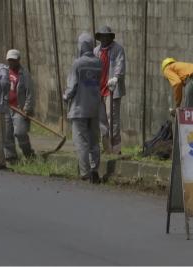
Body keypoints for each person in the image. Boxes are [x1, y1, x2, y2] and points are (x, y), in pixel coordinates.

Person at [63, 32, 102, 184]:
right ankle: (95, 170)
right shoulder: (98, 63)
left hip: (79, 108)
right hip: (94, 107)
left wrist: (65, 96)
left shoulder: (77, 63)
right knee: (94, 141)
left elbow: (72, 86)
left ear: (80, 45)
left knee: (81, 141)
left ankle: (85, 172)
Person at [94, 25, 125, 154]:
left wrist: (116, 77)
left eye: (106, 36)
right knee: (101, 120)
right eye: (102, 36)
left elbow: (120, 64)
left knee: (112, 119)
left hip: (112, 89)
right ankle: (106, 148)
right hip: (98, 90)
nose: (104, 38)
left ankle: (116, 149)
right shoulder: (96, 51)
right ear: (99, 37)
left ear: (110, 37)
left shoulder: (118, 49)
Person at [4, 49, 35, 163]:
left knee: (20, 133)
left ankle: (29, 155)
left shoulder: (24, 74)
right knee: (7, 134)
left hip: (19, 108)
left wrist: (27, 108)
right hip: (6, 107)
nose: (11, 62)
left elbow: (30, 93)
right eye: (9, 60)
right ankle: (11, 157)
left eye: (13, 60)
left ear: (18, 60)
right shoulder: (4, 72)